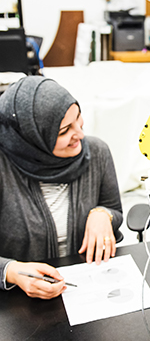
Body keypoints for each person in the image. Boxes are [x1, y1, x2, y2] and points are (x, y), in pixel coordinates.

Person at [0, 76, 123, 299]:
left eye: (79, 118)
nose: (80, 135)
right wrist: (11, 272)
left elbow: (114, 210)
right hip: (19, 306)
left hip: (88, 294)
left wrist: (102, 214)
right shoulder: (3, 169)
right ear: (32, 139)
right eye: (64, 130)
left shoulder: (96, 152)